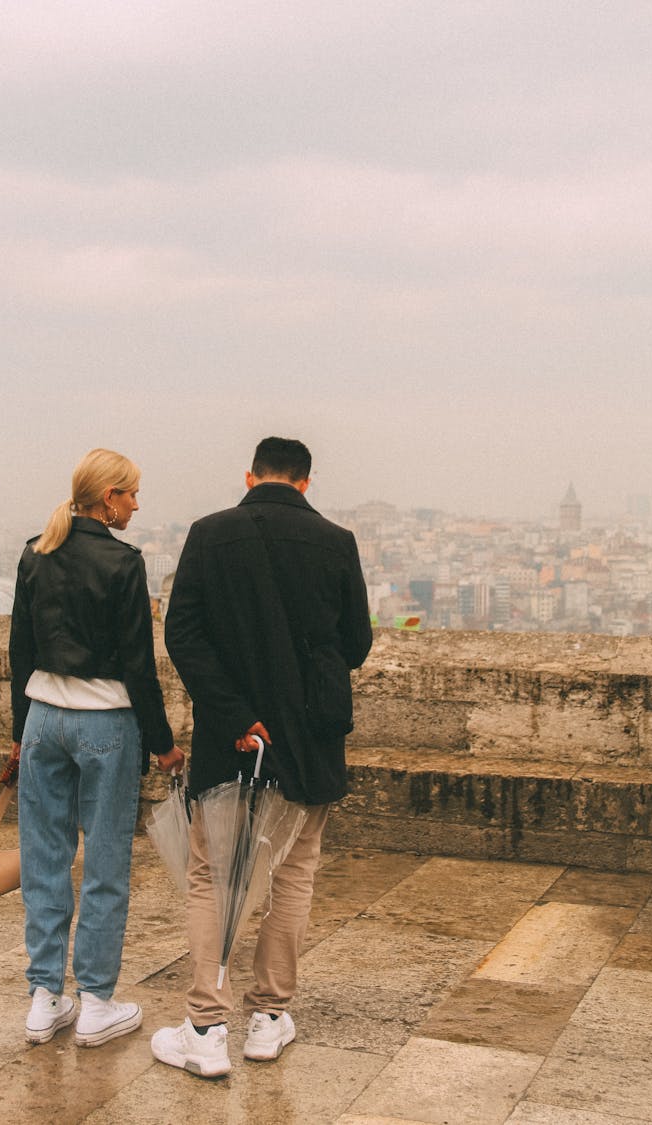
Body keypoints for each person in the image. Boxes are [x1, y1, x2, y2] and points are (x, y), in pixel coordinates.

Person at [152, 436, 372, 1077]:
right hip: (309, 742)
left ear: (250, 476)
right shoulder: (336, 542)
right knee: (293, 877)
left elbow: (183, 634)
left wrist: (235, 711)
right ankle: (269, 1017)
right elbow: (354, 644)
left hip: (233, 738)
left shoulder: (209, 534)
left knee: (214, 877)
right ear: (306, 483)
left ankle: (205, 1025)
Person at [9, 448, 183, 1048]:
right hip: (106, 724)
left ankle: (43, 997)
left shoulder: (37, 550)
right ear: (108, 497)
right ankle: (97, 1002)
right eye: (131, 493)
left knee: (44, 857)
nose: (137, 503)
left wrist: (18, 730)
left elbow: (19, 650)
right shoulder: (123, 562)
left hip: (43, 721)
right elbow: (139, 663)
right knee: (105, 863)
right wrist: (162, 744)